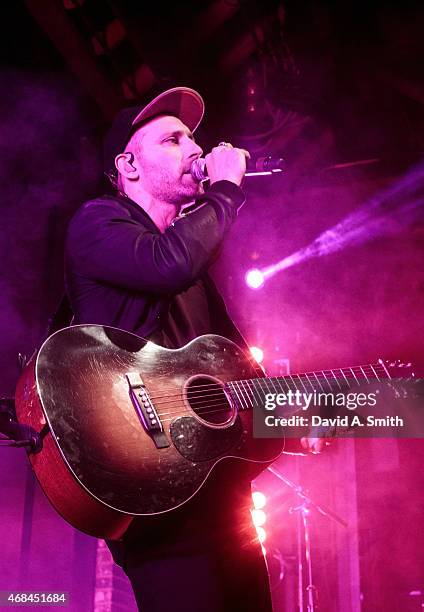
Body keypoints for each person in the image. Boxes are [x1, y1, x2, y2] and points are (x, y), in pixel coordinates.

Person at [64, 86, 324, 612]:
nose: (196, 151)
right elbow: (166, 263)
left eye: (193, 139)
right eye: (173, 139)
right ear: (128, 165)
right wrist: (225, 192)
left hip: (222, 505)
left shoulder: (194, 273)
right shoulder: (97, 223)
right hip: (155, 499)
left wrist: (302, 412)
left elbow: (239, 383)